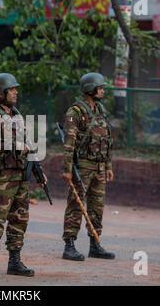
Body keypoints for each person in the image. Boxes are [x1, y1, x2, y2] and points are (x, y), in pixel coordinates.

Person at [0, 73, 46, 279]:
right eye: (12, 89)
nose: (16, 92)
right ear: (1, 93)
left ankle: (14, 261)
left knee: (20, 219)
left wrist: (38, 169)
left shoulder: (16, 115)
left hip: (20, 175)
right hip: (2, 176)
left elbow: (28, 144)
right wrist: (19, 146)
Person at [61, 72, 115, 261]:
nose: (102, 90)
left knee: (97, 207)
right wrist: (67, 169)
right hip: (82, 166)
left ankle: (95, 243)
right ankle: (69, 245)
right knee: (76, 204)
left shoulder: (100, 110)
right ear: (90, 89)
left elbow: (107, 140)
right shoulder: (75, 112)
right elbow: (69, 143)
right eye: (99, 87)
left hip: (99, 166)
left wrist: (108, 165)